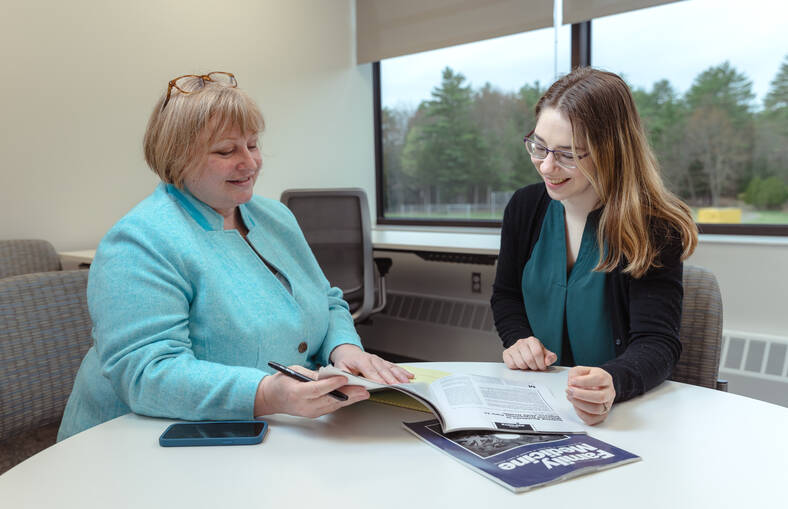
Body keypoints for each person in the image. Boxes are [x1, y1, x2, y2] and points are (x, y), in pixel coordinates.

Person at [58, 72, 412, 440]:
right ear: (177, 158)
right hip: (140, 443)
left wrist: (344, 348)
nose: (250, 162)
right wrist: (265, 394)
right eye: (226, 151)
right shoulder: (140, 241)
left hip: (278, 430)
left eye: (253, 145)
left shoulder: (275, 217)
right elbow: (148, 375)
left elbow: (327, 300)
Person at [491, 67, 698, 426]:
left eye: (568, 154)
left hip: (623, 412)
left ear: (610, 152)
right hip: (540, 402)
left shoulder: (653, 227)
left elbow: (657, 343)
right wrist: (519, 339)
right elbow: (506, 295)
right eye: (539, 146)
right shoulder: (525, 207)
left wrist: (614, 380)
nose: (546, 166)